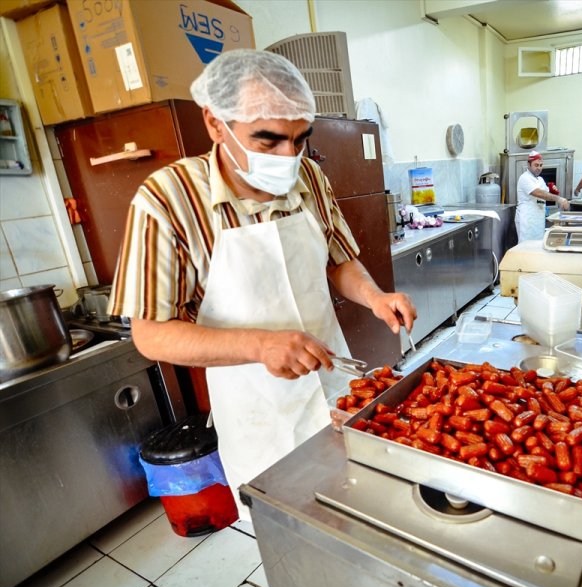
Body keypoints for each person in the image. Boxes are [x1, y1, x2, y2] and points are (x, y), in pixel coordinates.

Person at [108, 49, 417, 519]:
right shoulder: (166, 200)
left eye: (299, 139)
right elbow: (150, 334)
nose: (288, 157)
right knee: (293, 529)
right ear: (215, 124)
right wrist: (260, 345)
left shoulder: (309, 176)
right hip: (258, 409)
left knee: (361, 509)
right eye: (267, 141)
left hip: (335, 384)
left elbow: (339, 258)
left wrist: (375, 297)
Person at [515, 151, 570, 242]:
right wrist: (559, 199)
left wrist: (552, 189)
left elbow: (546, 193)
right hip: (527, 219)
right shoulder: (524, 178)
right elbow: (538, 193)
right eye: (536, 165)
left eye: (541, 165)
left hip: (538, 218)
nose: (539, 168)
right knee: (526, 247)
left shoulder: (540, 179)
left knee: (538, 245)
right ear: (529, 164)